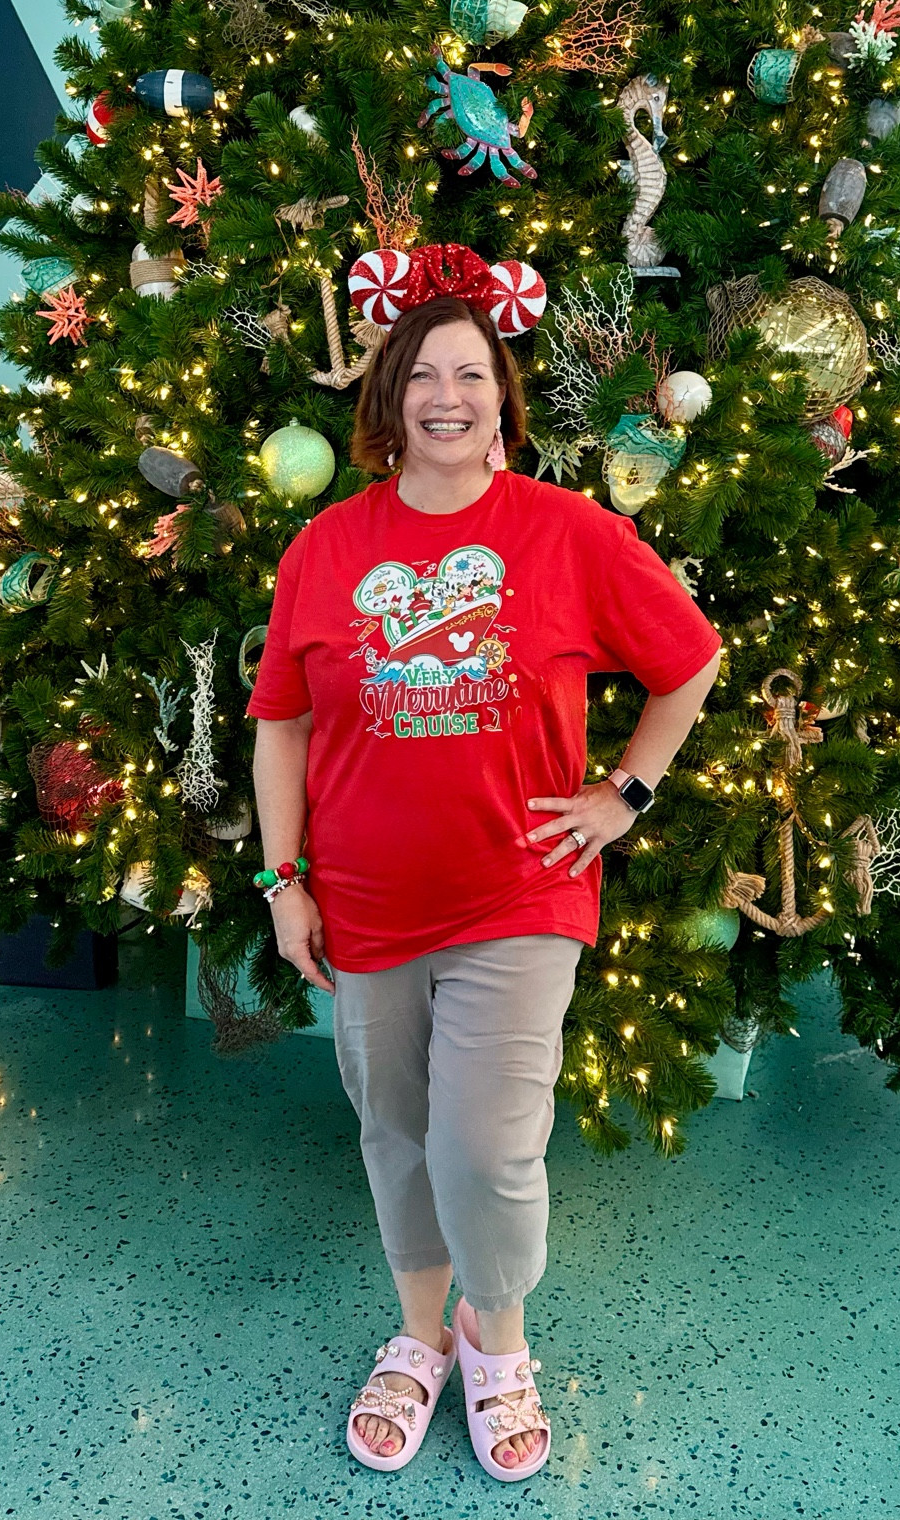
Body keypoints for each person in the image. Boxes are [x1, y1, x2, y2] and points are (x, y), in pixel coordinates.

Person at [247, 243, 722, 1482]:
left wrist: (625, 793)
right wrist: (283, 881)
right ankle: (420, 1336)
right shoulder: (325, 546)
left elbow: (689, 660)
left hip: (519, 891)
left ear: (502, 400)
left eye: (470, 373)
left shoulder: (568, 531)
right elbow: (280, 725)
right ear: (388, 396)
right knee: (397, 1130)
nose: (445, 395)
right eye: (422, 374)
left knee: (486, 1142)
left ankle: (496, 1341)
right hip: (363, 900)